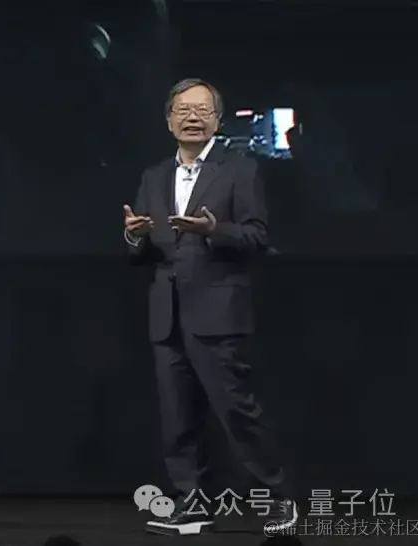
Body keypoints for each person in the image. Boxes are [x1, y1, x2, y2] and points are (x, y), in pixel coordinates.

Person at [123, 78, 297, 536]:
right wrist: (134, 236)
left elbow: (257, 236)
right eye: (183, 110)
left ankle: (278, 499)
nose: (192, 118)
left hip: (218, 310)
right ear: (168, 120)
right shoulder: (153, 176)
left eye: (202, 110)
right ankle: (193, 502)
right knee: (177, 419)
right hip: (167, 313)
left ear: (218, 120)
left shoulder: (239, 170)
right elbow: (142, 252)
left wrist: (212, 230)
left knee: (237, 414)